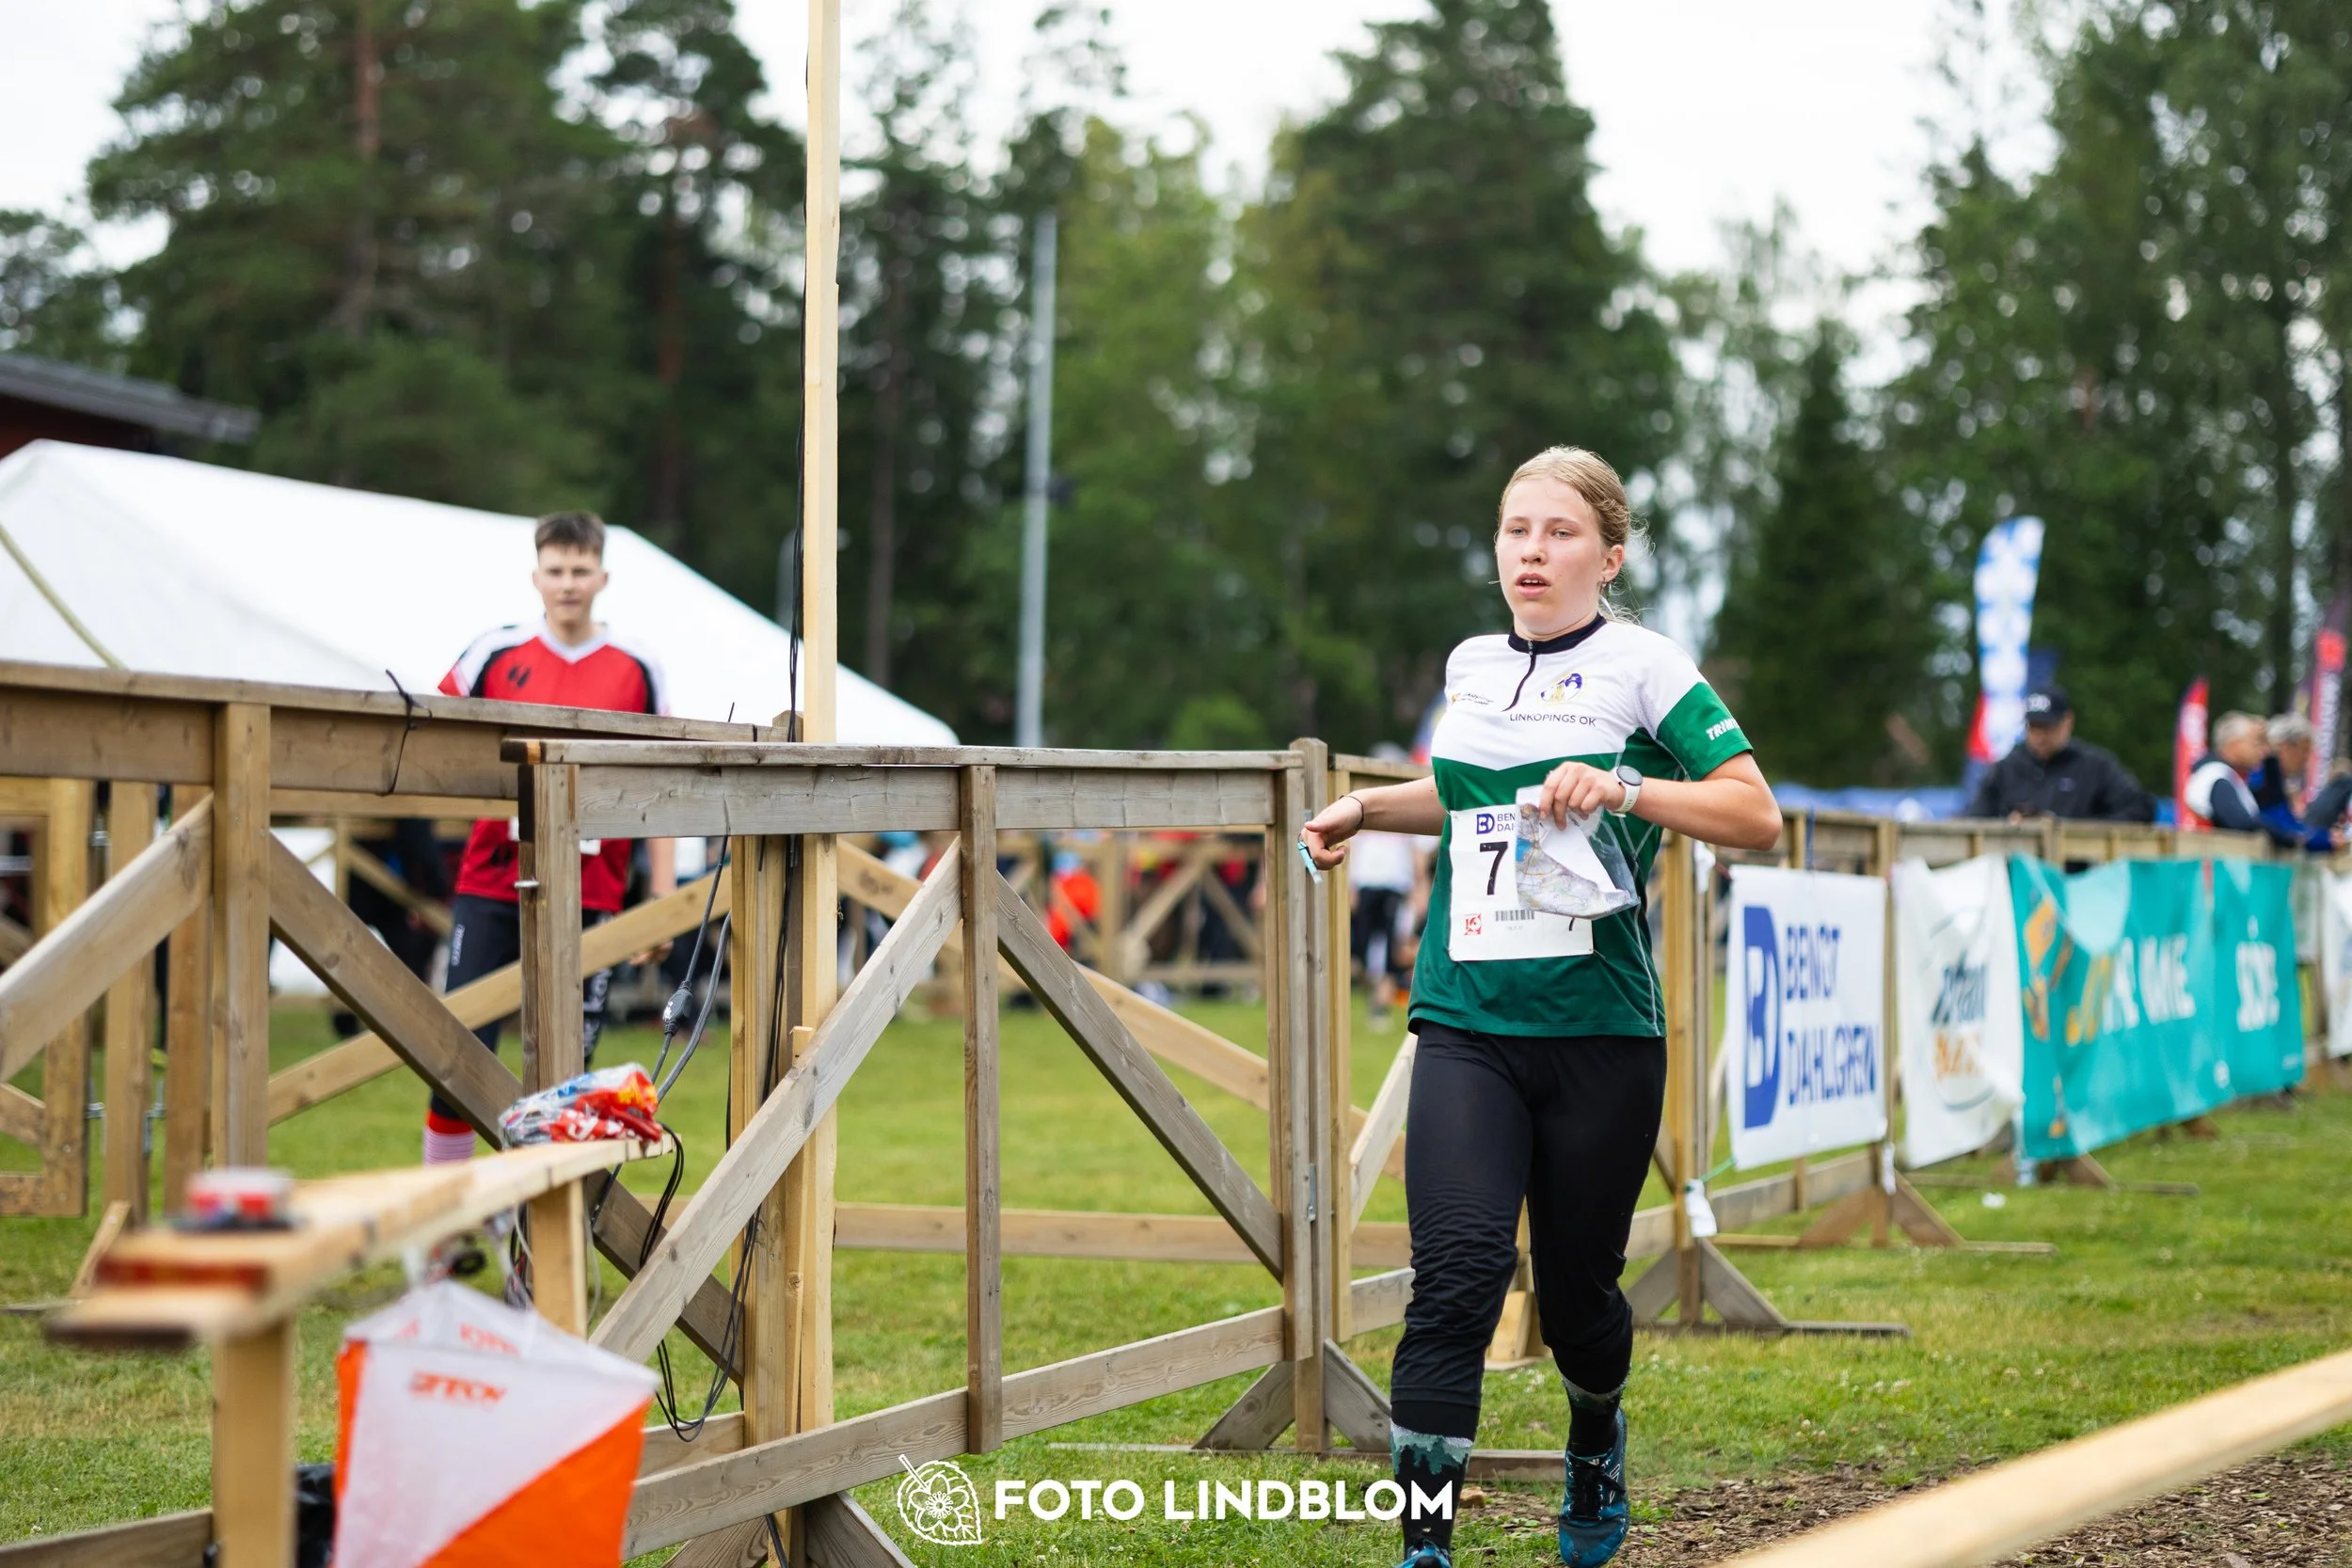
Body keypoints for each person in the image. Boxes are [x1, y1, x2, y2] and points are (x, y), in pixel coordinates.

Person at [1301, 447, 1780, 1568]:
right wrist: (1372, 807)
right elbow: (1472, 798)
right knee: (1456, 1276)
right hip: (1465, 1018)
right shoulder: (1470, 664)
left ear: (1608, 554)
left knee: (1575, 1297)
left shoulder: (1646, 664)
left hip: (1601, 1032)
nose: (1531, 550)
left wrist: (1622, 787)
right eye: (1516, 529)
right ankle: (1424, 1550)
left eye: (1559, 532)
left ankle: (1594, 1431)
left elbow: (1752, 812)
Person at [421, 510, 675, 1168]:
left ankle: (540, 1251)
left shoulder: (638, 665)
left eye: (580, 570)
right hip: (490, 879)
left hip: (592, 891)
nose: (568, 583)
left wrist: (664, 897)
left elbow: (667, 786)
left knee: (567, 1072)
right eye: (556, 570)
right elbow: (428, 739)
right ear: (535, 575)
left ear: (603, 576)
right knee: (454, 1055)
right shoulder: (493, 651)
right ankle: (448, 1239)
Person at [1965, 685, 2153, 822]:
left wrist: (2070, 829)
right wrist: (2010, 825)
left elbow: (2141, 809)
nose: (2040, 736)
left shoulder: (2095, 766)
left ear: (2068, 722)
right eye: (2034, 727)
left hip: (2078, 872)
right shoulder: (2006, 768)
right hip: (2015, 869)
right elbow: (1976, 817)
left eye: (2048, 727)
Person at [2250, 713, 2352, 847]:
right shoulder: (2264, 777)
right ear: (2285, 747)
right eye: (2304, 751)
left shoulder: (2273, 779)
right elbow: (2279, 824)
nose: (2305, 761)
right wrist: (2325, 840)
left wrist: (2324, 837)